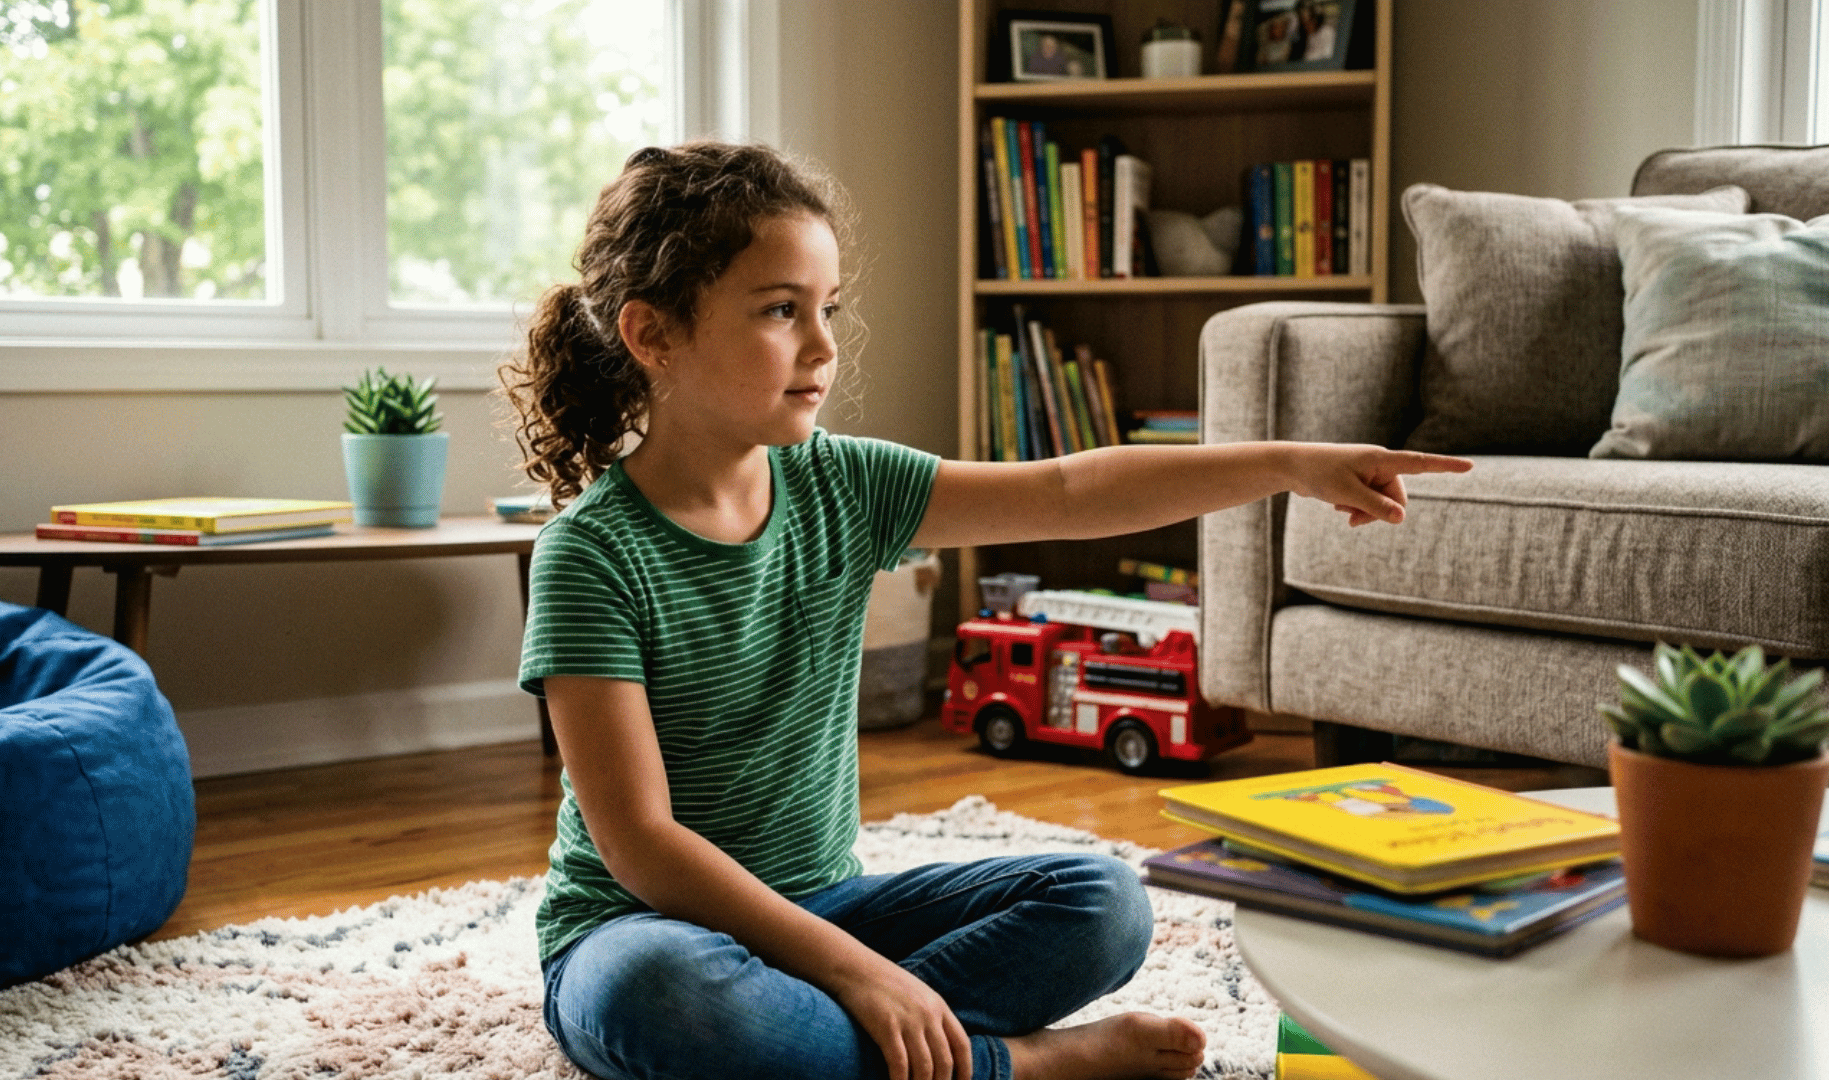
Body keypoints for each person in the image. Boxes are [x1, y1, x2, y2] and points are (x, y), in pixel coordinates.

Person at [499, 141, 1472, 1080]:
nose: (824, 346)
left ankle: (843, 1052)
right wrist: (863, 976)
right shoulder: (590, 554)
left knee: (1105, 902)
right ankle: (1016, 1065)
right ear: (653, 334)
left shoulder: (846, 486)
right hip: (638, 927)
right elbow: (642, 846)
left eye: (829, 308)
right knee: (664, 998)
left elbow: (1071, 493)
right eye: (780, 311)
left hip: (830, 904)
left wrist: (1290, 463)